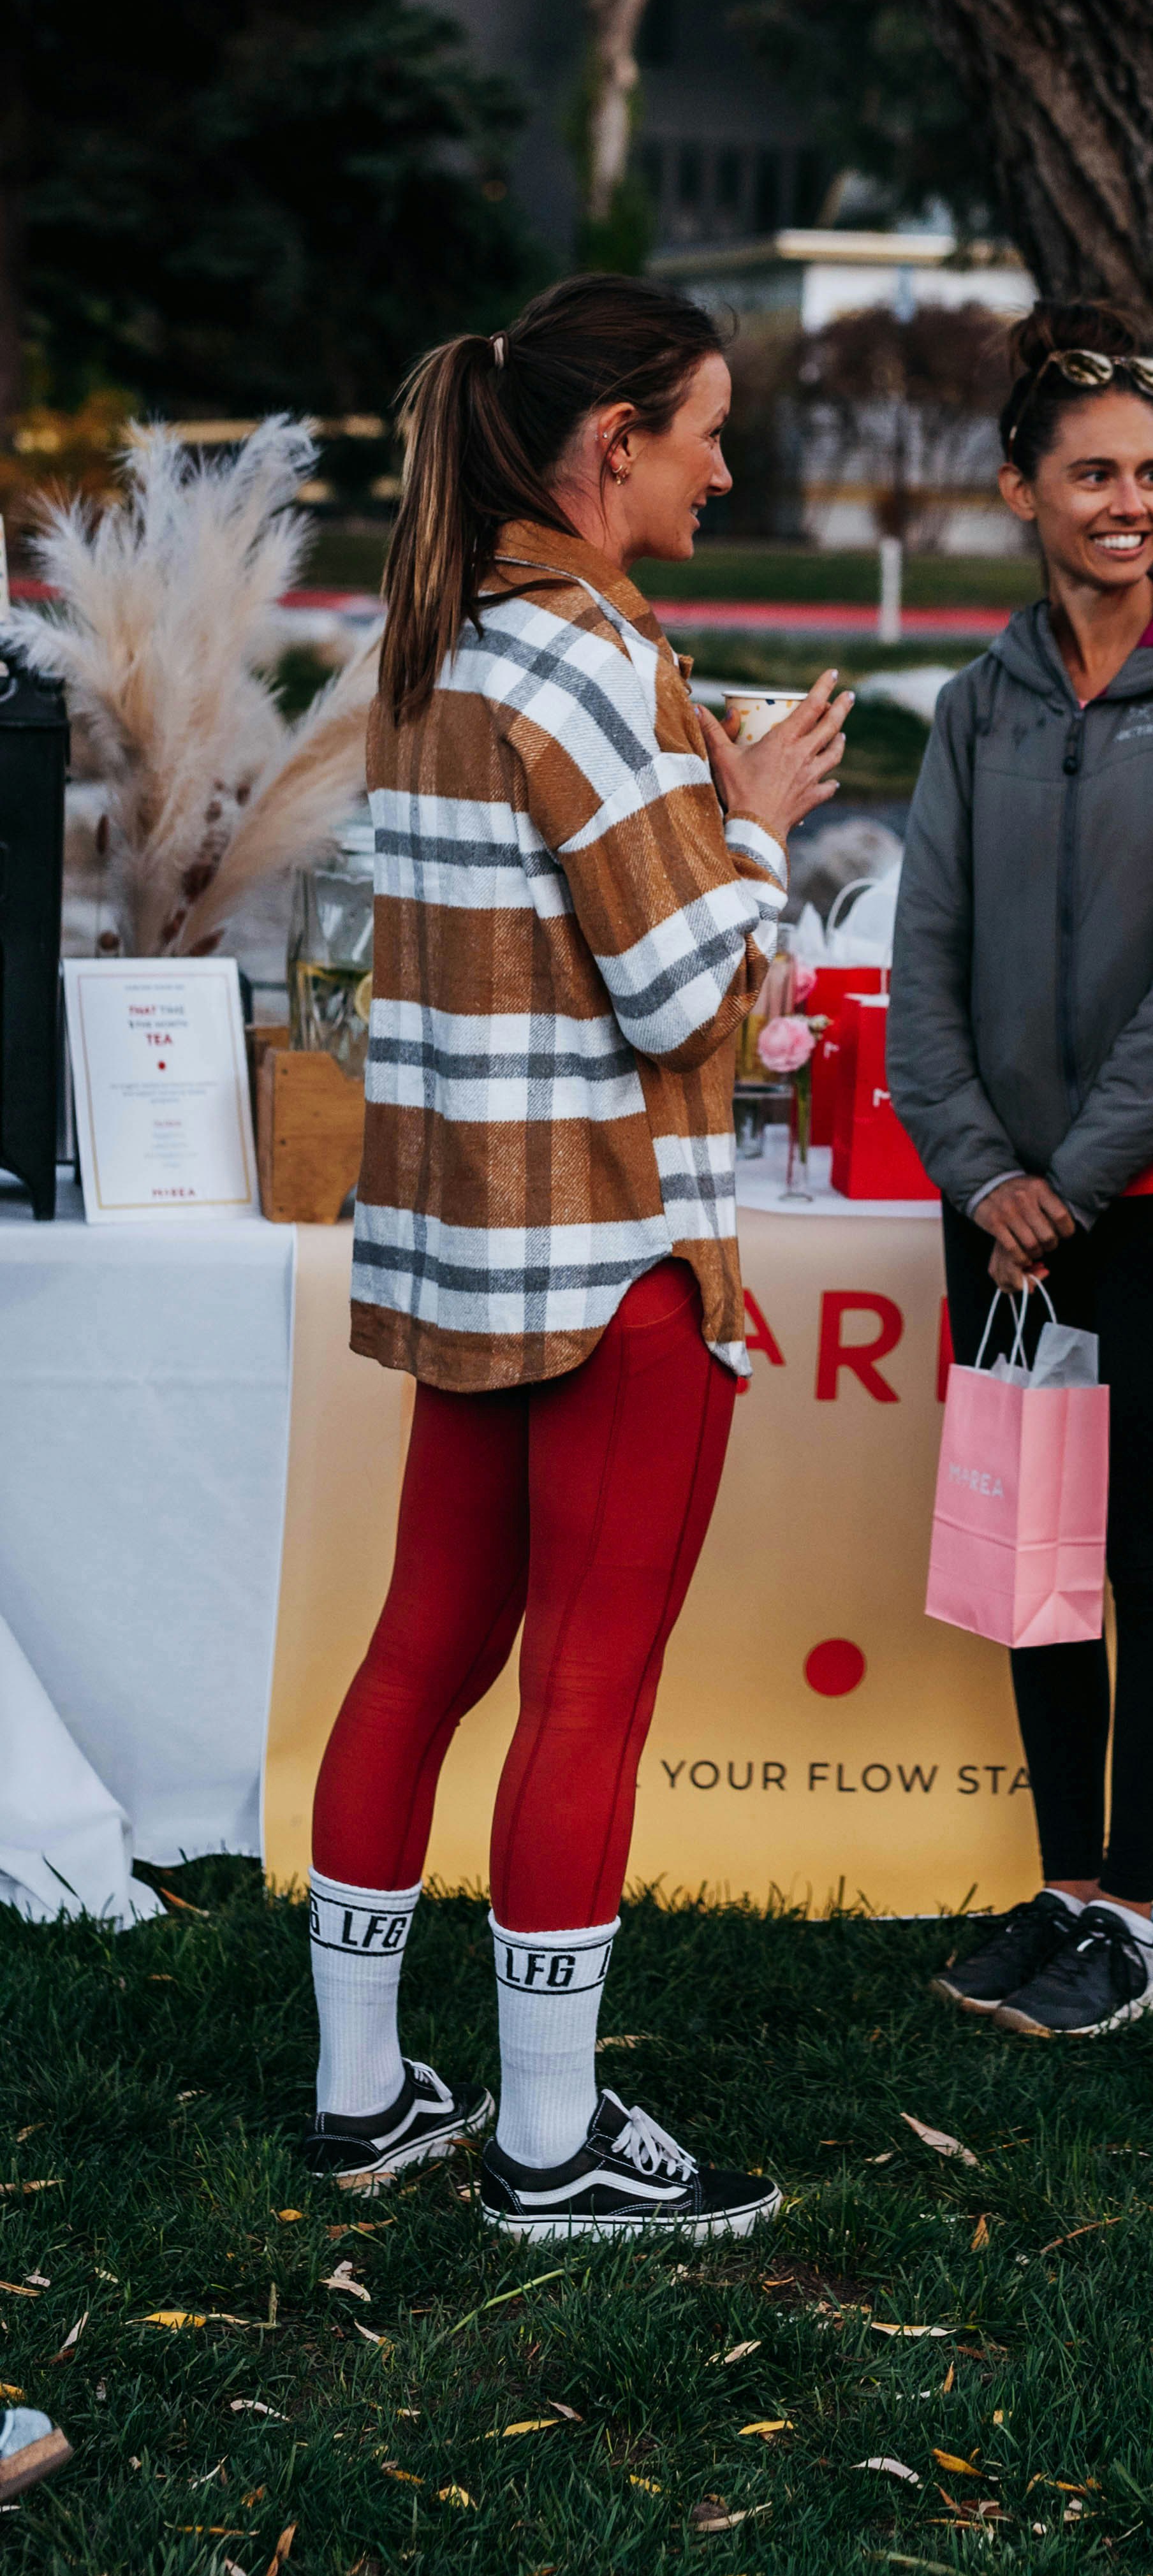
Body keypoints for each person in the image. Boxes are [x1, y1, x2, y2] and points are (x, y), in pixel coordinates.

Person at [300, 274, 849, 2240]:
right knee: (586, 1687)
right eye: (704, 426)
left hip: (464, 1251)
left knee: (418, 1653)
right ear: (612, 444)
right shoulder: (587, 662)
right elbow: (684, 984)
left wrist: (699, 792)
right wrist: (761, 820)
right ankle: (548, 2141)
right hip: (611, 1255)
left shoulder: (438, 649)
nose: (727, 460)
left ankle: (363, 2096)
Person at [890, 304, 1153, 2040]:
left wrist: (1069, 1171)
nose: (1127, 502)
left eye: (1148, 473)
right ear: (1022, 490)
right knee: (1029, 1544)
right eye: (1091, 475)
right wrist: (987, 1174)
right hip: (1002, 1219)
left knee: (1143, 1541)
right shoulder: (975, 705)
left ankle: (1133, 1908)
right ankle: (1062, 1879)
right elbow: (922, 966)